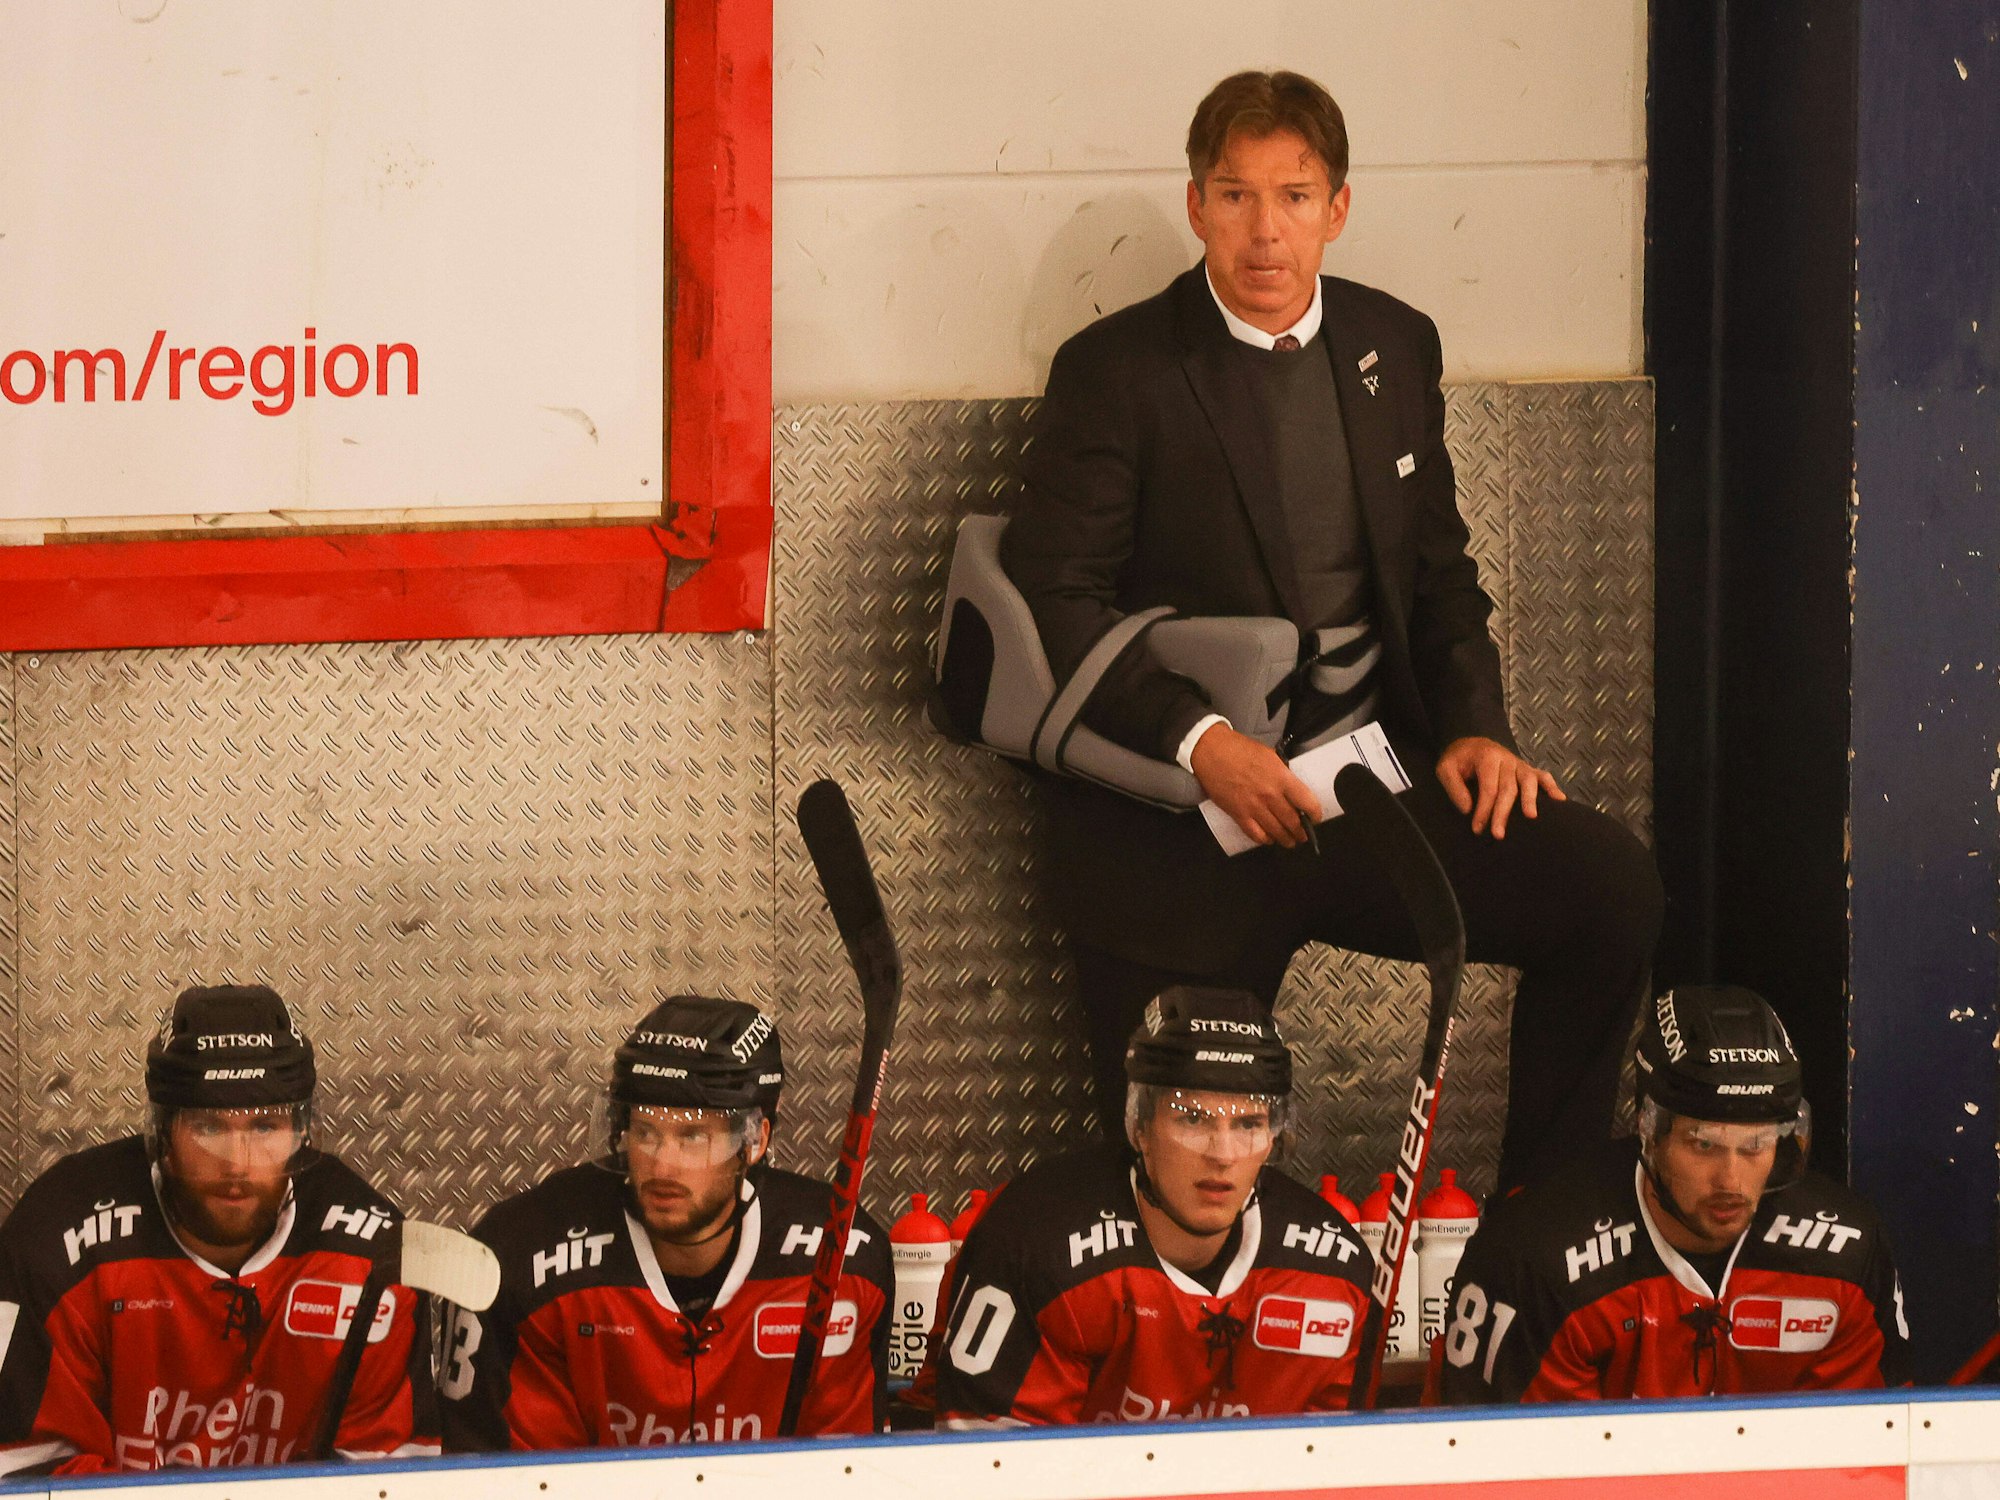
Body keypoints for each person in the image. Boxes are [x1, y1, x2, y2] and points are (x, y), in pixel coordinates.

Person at [999, 69, 1663, 1191]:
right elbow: (1055, 596)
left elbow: (1439, 577)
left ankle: (1535, 1224)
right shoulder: (1115, 373)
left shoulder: (1392, 344)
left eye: (1294, 196)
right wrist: (1200, 743)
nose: (1265, 231)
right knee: (1176, 1145)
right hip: (1183, 825)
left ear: (1337, 208)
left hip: (1365, 790)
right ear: (1197, 205)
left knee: (1610, 893)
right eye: (1235, 196)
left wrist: (1475, 729)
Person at [0, 984, 436, 1474]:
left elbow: (392, 1481)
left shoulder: (371, 1259)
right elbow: (26, 1475)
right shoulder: (57, 1244)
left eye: (265, 1127)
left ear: (301, 1134)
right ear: (162, 1135)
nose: (237, 1163)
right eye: (209, 1127)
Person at [439, 996, 893, 1448]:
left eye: (692, 1136)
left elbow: (848, 1472)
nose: (662, 1165)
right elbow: (525, 1478)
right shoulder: (520, 1259)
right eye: (646, 1132)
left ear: (754, 1142)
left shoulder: (844, 1261)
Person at [1437, 984, 1909, 1402]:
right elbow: (1512, 1460)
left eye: (1755, 1145)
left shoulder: (1847, 1255)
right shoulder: (1536, 1261)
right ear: (1649, 1131)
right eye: (1703, 1144)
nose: (1731, 1181)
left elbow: (1870, 1449)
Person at [932, 985, 1373, 1426]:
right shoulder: (1036, 1245)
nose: (1223, 1155)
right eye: (1192, 1118)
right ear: (1140, 1127)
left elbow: (1339, 1457)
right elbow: (990, 1460)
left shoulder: (1334, 1274)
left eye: (1248, 1124)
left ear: (1273, 1138)